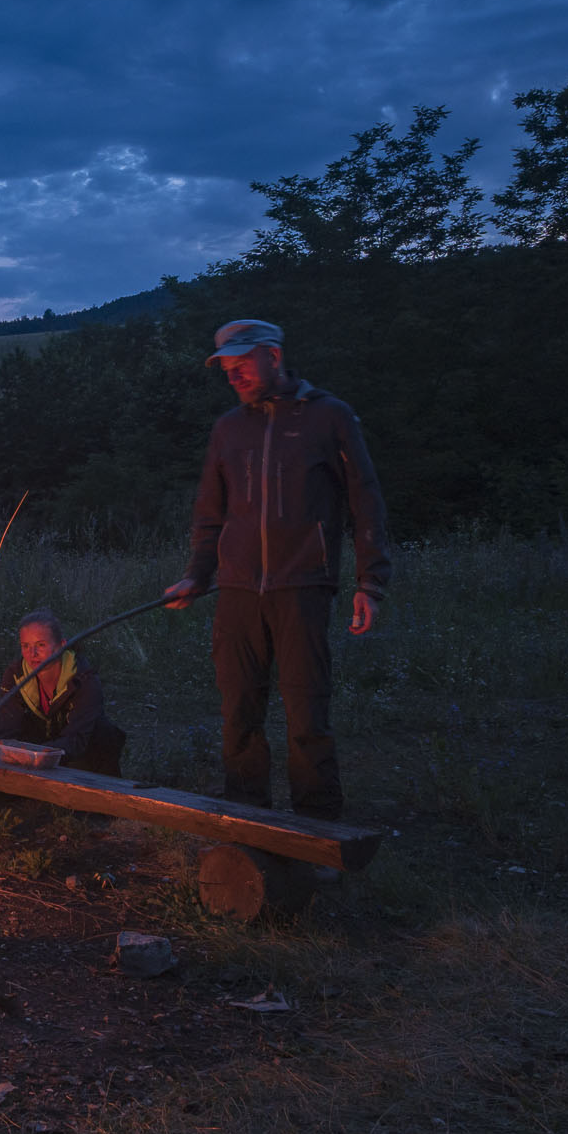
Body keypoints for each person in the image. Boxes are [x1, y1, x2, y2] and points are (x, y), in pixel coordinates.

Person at [163, 319, 390, 822]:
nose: (234, 376)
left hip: (303, 585)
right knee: (239, 713)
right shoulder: (228, 428)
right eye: (227, 367)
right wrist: (197, 575)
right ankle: (248, 820)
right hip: (238, 590)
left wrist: (370, 582)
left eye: (242, 364)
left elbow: (365, 501)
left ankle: (316, 828)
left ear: (273, 355)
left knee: (306, 714)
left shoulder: (329, 417)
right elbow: (209, 512)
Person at [0, 609, 126, 776]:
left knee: (105, 732)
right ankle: (6, 783)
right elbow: (7, 728)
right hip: (36, 739)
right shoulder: (15, 674)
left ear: (61, 646)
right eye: (26, 646)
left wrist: (43, 756)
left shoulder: (84, 679)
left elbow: (77, 739)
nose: (32, 654)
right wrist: (13, 751)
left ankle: (97, 787)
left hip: (68, 745)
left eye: (41, 645)